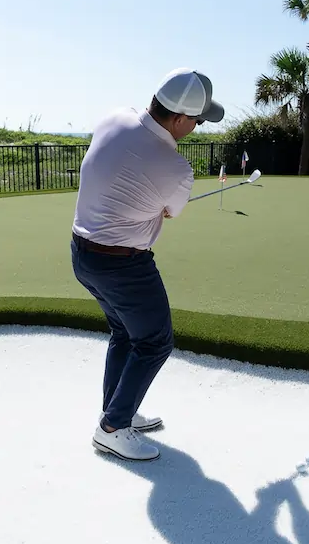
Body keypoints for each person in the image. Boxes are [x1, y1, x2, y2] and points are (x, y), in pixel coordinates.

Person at [70, 68, 224, 460]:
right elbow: (171, 211)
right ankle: (113, 428)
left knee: (124, 333)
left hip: (82, 253)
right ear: (178, 119)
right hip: (124, 266)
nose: (198, 127)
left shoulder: (114, 117)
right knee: (155, 341)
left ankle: (119, 411)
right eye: (198, 120)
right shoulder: (176, 169)